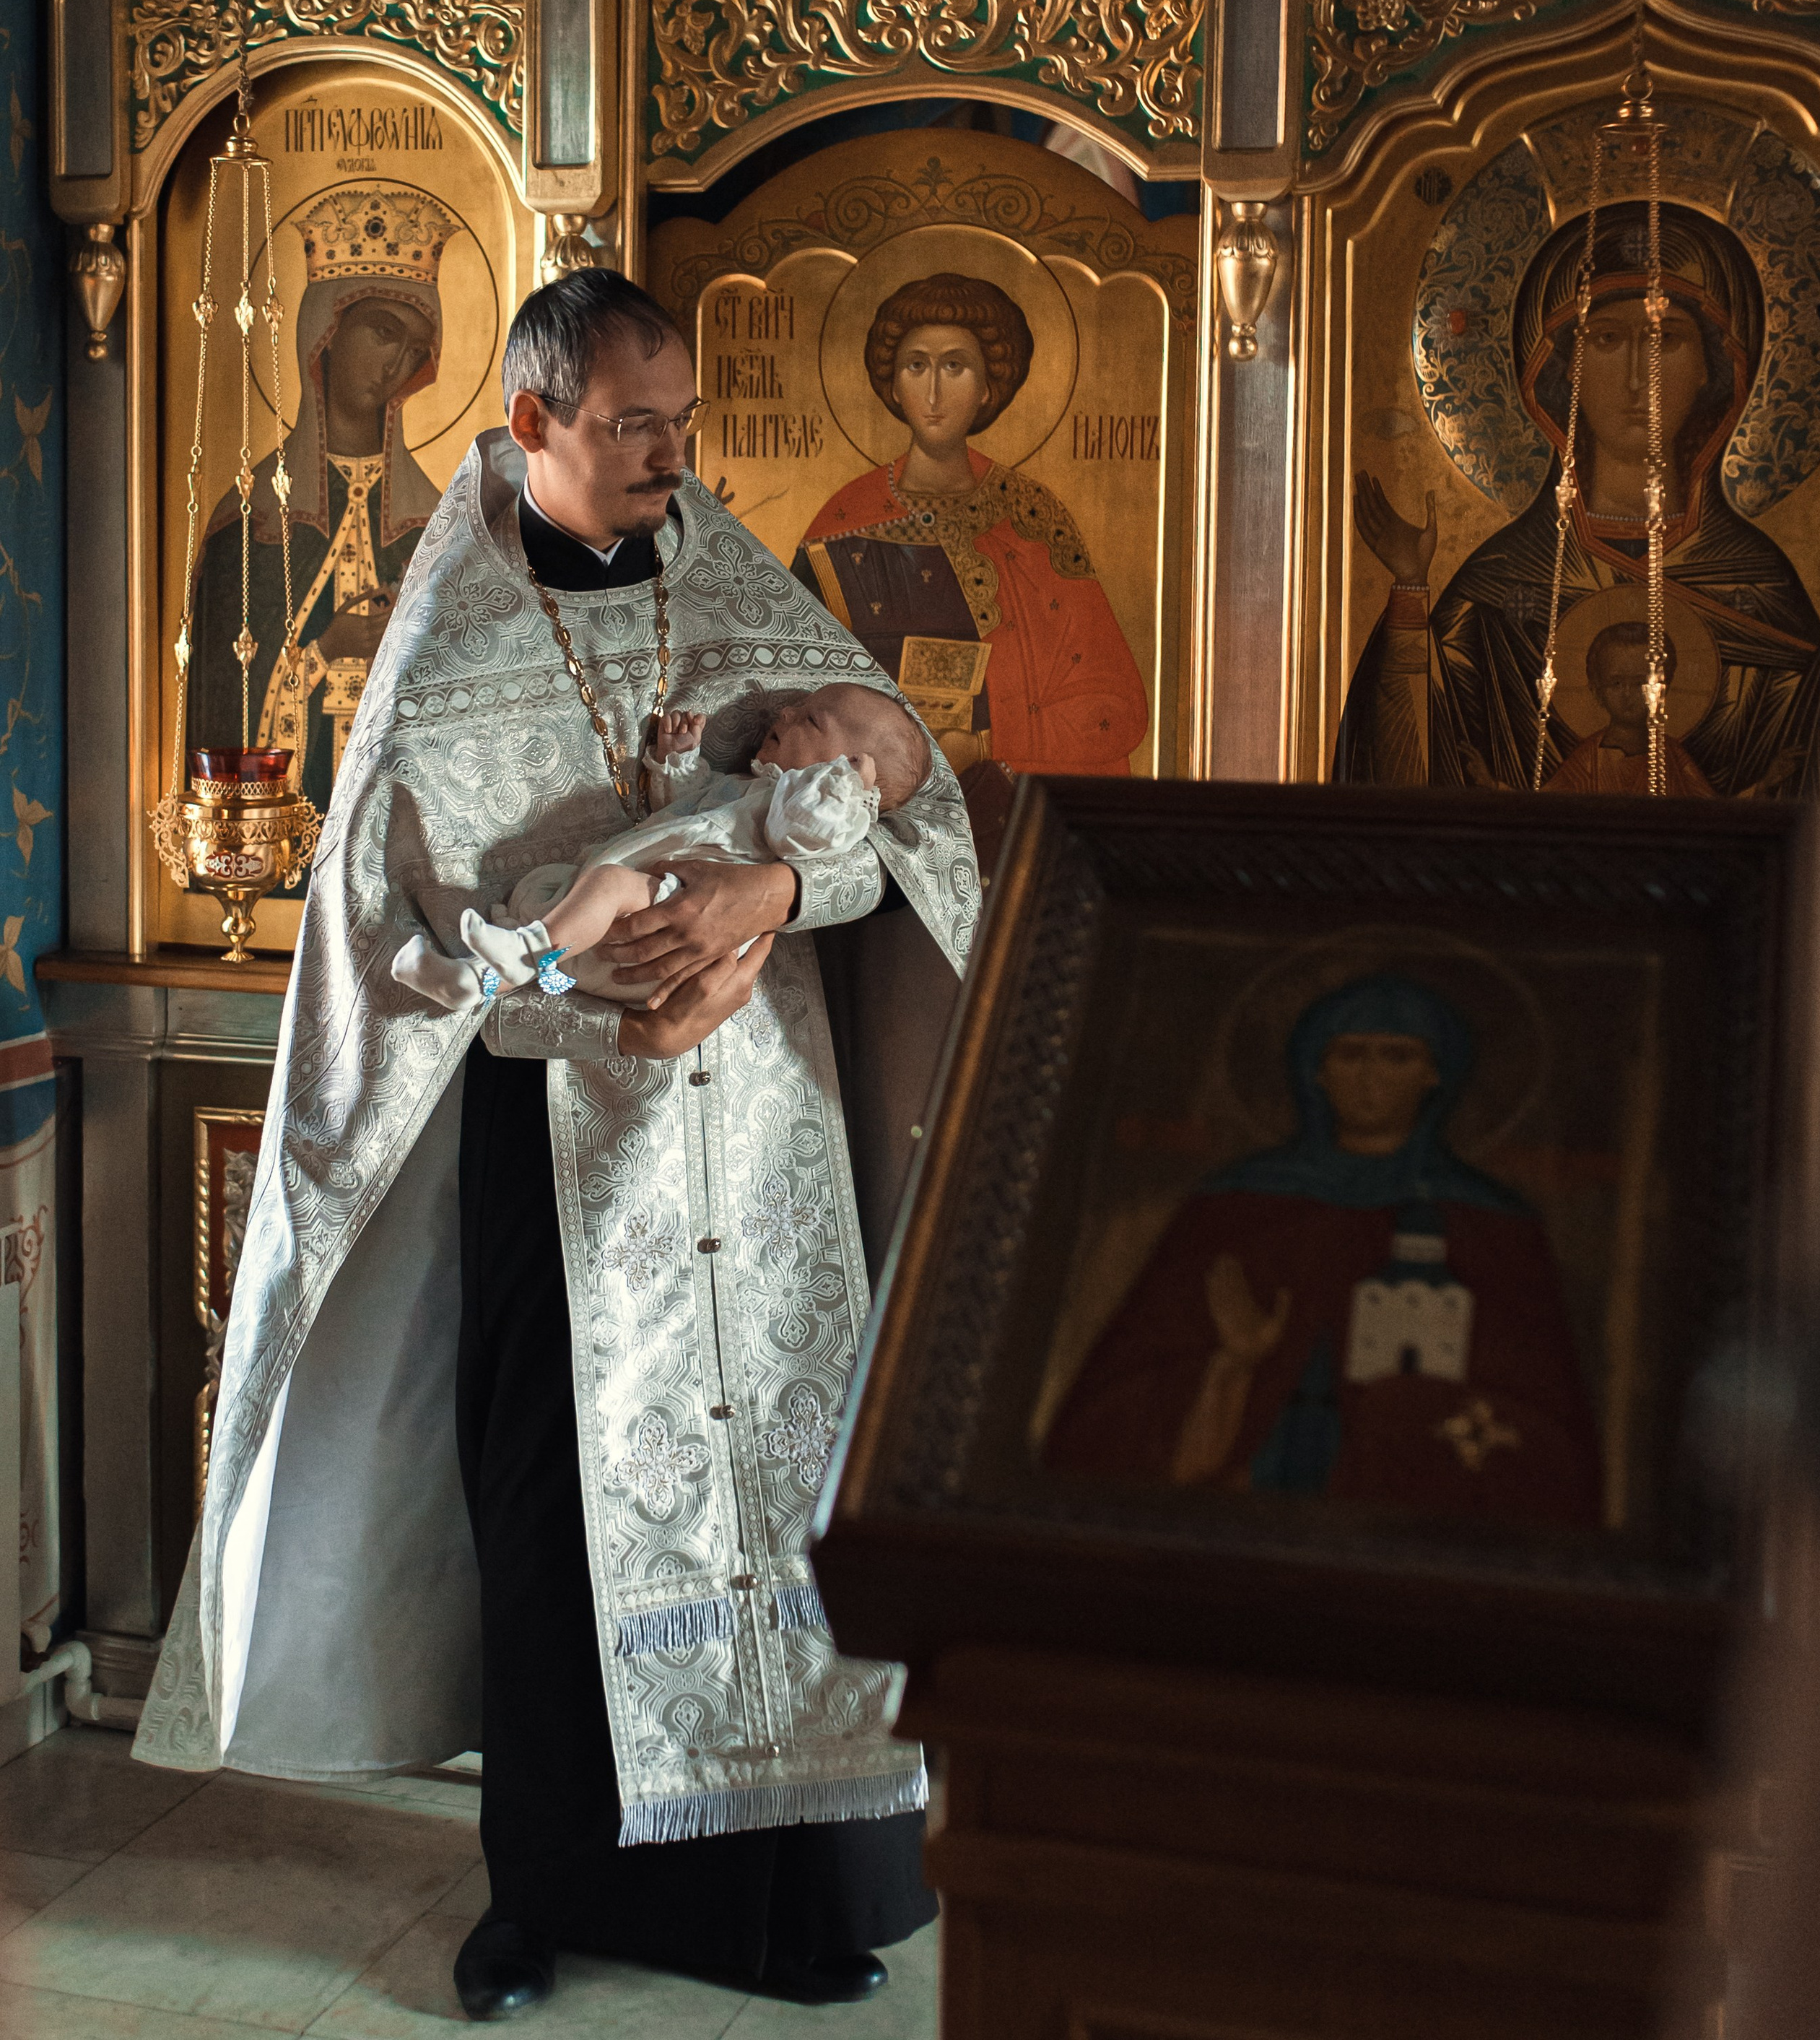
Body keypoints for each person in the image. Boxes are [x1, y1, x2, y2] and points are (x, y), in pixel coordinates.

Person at [136, 271, 978, 2023]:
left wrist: (762, 889)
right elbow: (376, 933)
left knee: (778, 1497)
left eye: (681, 418)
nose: (672, 453)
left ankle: (788, 1899)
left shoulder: (740, 585)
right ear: (532, 426)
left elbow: (903, 810)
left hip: (763, 1136)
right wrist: (552, 950)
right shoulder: (445, 640)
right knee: (551, 1511)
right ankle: (537, 1896)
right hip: (555, 1153)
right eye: (632, 425)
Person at [1043, 975, 1602, 1529]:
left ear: (1435, 1074)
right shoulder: (1240, 1203)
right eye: (1350, 1054)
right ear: (1316, 1069)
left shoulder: (1490, 1221)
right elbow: (1116, 1396)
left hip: (1400, 1492)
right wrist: (1231, 1366)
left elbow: (1542, 1418)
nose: (1369, 1077)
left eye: (1397, 1056)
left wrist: (1409, 1402)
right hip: (1244, 1483)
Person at [1337, 201, 1820, 797]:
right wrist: (1407, 591)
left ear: (1717, 366)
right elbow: (1403, 791)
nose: (1639, 376)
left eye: (1666, 338)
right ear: (1558, 370)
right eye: (1605, 338)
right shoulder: (1496, 587)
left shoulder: (1761, 585)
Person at [798, 272, 1147, 872]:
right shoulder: (843, 519)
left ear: (989, 387)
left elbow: (1117, 706)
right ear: (893, 383)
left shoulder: (1033, 519)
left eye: (955, 367)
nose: (933, 392)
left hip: (1004, 828)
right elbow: (789, 676)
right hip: (861, 839)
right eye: (915, 366)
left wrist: (984, 744)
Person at [393, 682, 929, 1009]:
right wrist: (677, 761)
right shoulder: (750, 786)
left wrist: (846, 785)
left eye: (811, 719)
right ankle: (473, 979)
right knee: (555, 889)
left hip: (679, 925)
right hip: (643, 901)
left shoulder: (807, 809)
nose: (783, 714)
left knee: (602, 886)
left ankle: (517, 954)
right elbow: (684, 810)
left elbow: (810, 829)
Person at [189, 185, 455, 825]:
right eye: (383, 331)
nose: (397, 361)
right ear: (326, 332)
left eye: (415, 348)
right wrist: (323, 651)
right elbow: (219, 711)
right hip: (276, 838)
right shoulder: (247, 525)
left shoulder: (435, 527)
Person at [1543, 622, 1715, 797]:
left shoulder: (1674, 759)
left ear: (1662, 689)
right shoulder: (1586, 762)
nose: (1627, 695)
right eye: (1616, 683)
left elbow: (1708, 810)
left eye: (1640, 683)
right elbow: (1548, 807)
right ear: (1597, 690)